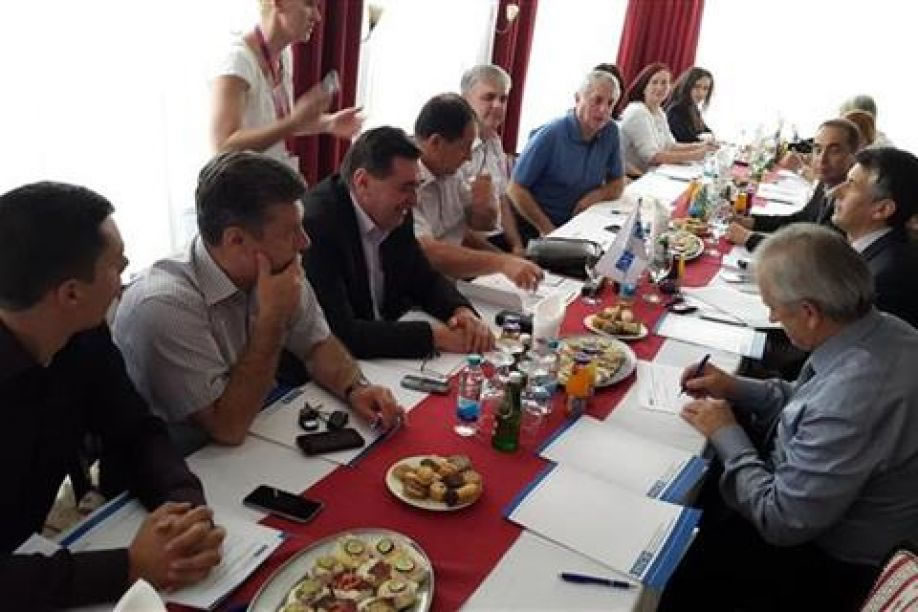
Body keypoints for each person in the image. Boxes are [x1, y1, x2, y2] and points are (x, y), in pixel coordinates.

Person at [660, 224, 918, 611]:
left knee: (677, 557)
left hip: (824, 565)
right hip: (819, 506)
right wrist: (733, 386)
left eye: (775, 309)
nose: (771, 315)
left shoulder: (853, 398)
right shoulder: (881, 330)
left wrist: (726, 432)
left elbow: (780, 520)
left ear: (809, 313)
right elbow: (804, 398)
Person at [0, 182, 224, 609]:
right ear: (70, 293)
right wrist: (127, 567)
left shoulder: (82, 334)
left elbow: (134, 429)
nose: (126, 273)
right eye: (116, 265)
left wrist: (183, 508)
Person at [113, 152, 403, 455]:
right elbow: (227, 427)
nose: (305, 242)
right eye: (291, 232)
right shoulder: (163, 305)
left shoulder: (274, 264)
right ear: (236, 241)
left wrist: (355, 388)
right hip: (186, 459)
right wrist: (272, 320)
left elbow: (316, 344)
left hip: (256, 430)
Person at [302, 127, 494, 359]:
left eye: (416, 186)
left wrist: (460, 311)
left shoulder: (396, 209)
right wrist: (435, 336)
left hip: (385, 349)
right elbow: (341, 334)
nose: (414, 200)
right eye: (405, 188)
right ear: (362, 182)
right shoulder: (317, 226)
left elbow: (424, 278)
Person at [210, 0, 362, 169]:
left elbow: (275, 124)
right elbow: (224, 145)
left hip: (268, 178)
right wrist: (293, 122)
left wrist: (328, 123)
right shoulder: (237, 60)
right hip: (239, 182)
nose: (318, 17)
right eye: (309, 4)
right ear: (279, 3)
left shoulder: (284, 55)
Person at [412, 93, 542, 290]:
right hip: (422, 288)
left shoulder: (451, 174)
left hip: (453, 283)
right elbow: (429, 252)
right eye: (464, 148)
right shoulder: (406, 182)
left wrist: (486, 209)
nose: (469, 158)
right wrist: (501, 264)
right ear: (436, 142)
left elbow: (467, 231)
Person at [507, 70, 625, 237]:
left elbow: (618, 183)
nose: (603, 109)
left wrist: (596, 196)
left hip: (581, 221)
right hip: (539, 224)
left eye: (610, 103)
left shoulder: (611, 131)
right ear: (578, 99)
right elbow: (515, 189)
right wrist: (549, 231)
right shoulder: (551, 134)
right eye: (597, 100)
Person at [726, 118, 860, 251]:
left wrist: (749, 238)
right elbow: (802, 220)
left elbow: (814, 253)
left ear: (853, 156)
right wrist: (753, 222)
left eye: (834, 151)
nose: (822, 159)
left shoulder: (851, 202)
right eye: (818, 150)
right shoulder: (827, 181)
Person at [831, 146, 918, 327]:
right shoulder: (879, 251)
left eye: (851, 185)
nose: (835, 191)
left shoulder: (883, 280)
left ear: (882, 209)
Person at [459, 64, 526, 256]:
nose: (497, 105)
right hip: (469, 247)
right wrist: (502, 259)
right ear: (465, 100)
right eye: (489, 97)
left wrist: (517, 246)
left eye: (503, 99)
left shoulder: (495, 142)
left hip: (497, 239)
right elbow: (457, 228)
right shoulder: (456, 148)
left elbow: (502, 199)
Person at [619, 63, 712, 175]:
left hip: (652, 172)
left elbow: (670, 145)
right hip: (634, 176)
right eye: (654, 82)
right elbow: (652, 157)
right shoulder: (638, 111)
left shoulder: (659, 112)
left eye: (664, 83)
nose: (659, 87)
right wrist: (695, 155)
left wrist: (701, 146)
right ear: (644, 87)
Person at [665, 66, 715, 143]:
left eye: (705, 88)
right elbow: (686, 140)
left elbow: (707, 132)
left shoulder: (693, 108)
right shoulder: (676, 110)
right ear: (687, 86)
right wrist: (705, 140)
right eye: (696, 86)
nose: (701, 92)